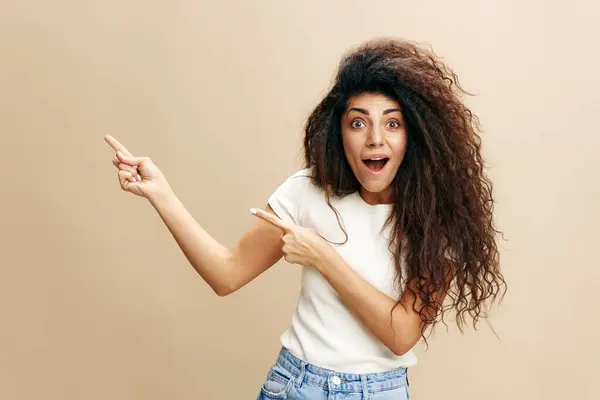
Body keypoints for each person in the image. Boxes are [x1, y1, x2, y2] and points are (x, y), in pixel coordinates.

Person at [104, 37, 506, 400]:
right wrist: (161, 194)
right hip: (295, 386)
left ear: (415, 136)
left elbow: (401, 334)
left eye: (393, 123)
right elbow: (225, 275)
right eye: (358, 122)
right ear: (340, 132)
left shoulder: (439, 219)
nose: (375, 139)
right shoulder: (308, 190)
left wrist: (322, 256)